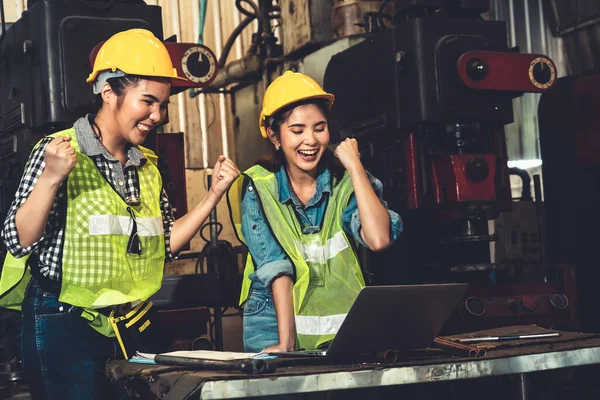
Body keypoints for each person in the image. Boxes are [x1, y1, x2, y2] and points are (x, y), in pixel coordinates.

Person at [0, 28, 240, 399]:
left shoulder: (148, 168)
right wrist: (50, 178)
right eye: (147, 102)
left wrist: (213, 195)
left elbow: (166, 245)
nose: (157, 115)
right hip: (63, 323)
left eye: (163, 105)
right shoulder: (59, 152)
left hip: (129, 324)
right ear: (109, 91)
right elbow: (18, 240)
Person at [228, 71, 402, 353]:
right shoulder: (257, 185)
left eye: (319, 128)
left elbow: (379, 238)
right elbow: (275, 265)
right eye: (297, 131)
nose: (310, 140)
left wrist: (355, 168)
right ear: (274, 135)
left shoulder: (347, 182)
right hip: (273, 319)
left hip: (340, 321)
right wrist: (286, 342)